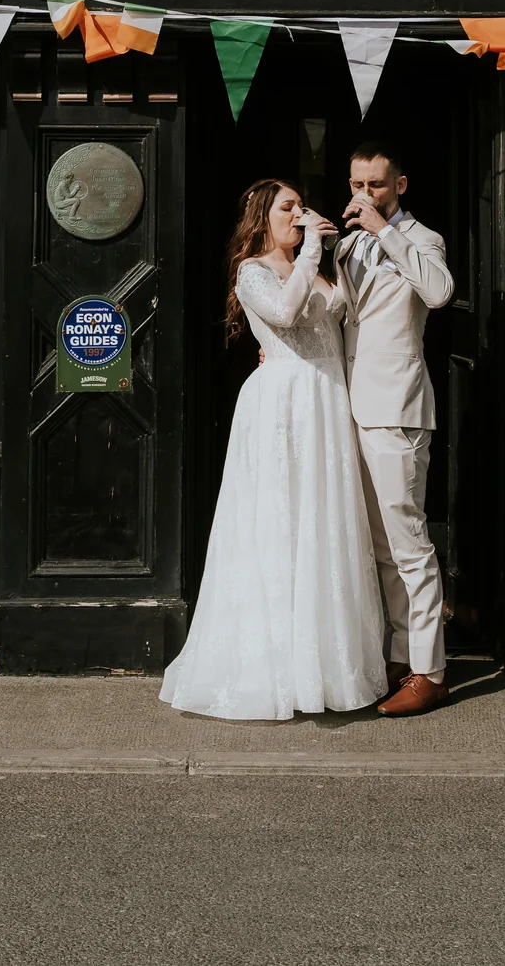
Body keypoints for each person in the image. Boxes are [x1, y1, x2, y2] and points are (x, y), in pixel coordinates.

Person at [160, 179, 386, 720]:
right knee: (282, 522)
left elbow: (340, 317)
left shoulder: (315, 264)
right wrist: (311, 249)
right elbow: (284, 316)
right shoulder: (252, 271)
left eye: (302, 206)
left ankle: (332, 666)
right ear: (262, 217)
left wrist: (332, 256)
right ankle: (275, 666)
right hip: (285, 399)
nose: (300, 214)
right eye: (288, 207)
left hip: (329, 397)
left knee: (326, 522)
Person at [336, 143, 457, 717]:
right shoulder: (348, 243)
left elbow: (438, 292)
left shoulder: (420, 239)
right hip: (350, 406)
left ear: (400, 184)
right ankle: (399, 657)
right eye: (357, 185)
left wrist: (385, 229)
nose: (363, 196)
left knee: (410, 545)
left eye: (375, 186)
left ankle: (431, 672)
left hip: (397, 408)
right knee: (381, 549)